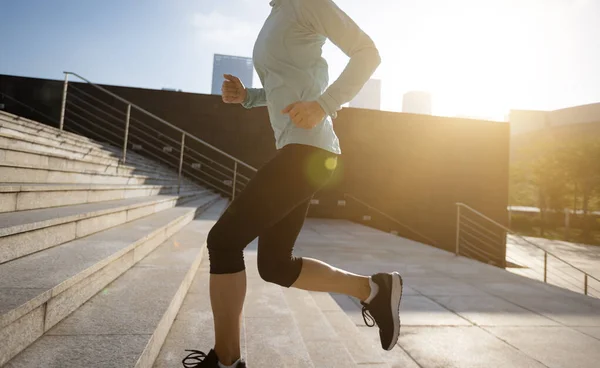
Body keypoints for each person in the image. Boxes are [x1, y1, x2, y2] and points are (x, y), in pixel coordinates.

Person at [182, 0, 402, 367]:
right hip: (299, 149)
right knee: (274, 265)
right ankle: (374, 289)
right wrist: (248, 96)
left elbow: (368, 53)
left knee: (223, 240)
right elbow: (288, 85)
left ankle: (226, 360)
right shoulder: (277, 13)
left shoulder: (307, 3)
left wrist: (325, 103)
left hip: (309, 152)